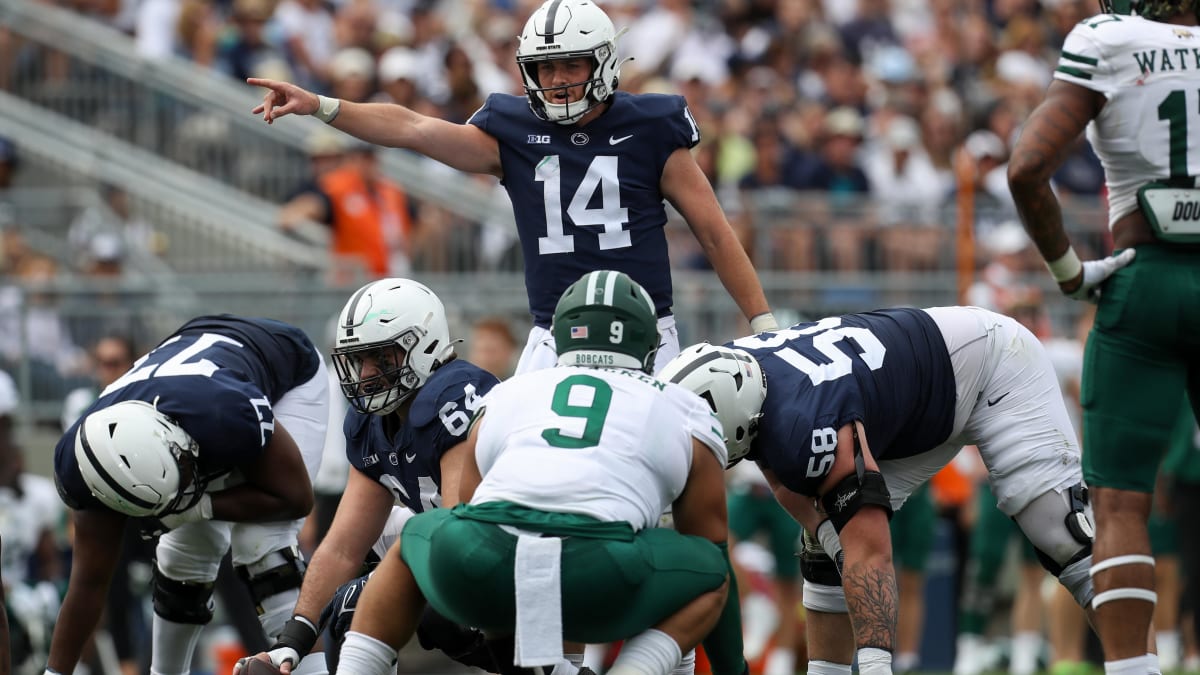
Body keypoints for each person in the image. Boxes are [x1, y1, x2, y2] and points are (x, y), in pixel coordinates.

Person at [247, 0, 777, 375]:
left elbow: (713, 233)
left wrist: (761, 321)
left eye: (572, 64)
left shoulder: (651, 126)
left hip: (646, 330)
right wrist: (322, 105)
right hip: (554, 334)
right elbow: (412, 127)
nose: (558, 80)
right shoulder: (512, 131)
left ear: (605, 62)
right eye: (545, 68)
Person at [289, 270, 747, 675]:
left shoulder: (507, 395)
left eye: (381, 358)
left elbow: (463, 516)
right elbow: (709, 547)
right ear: (652, 345)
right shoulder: (684, 408)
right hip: (597, 578)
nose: (366, 373)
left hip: (487, 571)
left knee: (415, 541)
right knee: (707, 567)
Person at [660, 306, 1100, 675]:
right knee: (823, 540)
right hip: (918, 401)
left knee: (1064, 538)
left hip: (994, 364)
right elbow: (776, 468)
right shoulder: (737, 374)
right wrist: (827, 531)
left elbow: (871, 548)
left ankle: (1136, 664)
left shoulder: (801, 421)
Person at [1006, 2, 1200, 672]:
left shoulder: (1108, 39)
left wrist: (1069, 273)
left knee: (1119, 502)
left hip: (1141, 281)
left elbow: (1027, 167)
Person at [236, 278, 505, 675]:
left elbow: (459, 531)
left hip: (519, 547)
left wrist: (375, 588)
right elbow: (344, 546)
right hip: (472, 549)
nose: (365, 373)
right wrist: (292, 641)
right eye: (359, 359)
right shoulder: (371, 422)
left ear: (424, 344)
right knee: (356, 584)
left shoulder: (451, 396)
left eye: (381, 357)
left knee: (373, 605)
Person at [45, 315, 329, 675]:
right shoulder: (81, 466)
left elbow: (295, 497)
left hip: (284, 367)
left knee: (264, 544)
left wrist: (200, 506)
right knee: (182, 555)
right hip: (198, 388)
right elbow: (87, 582)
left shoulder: (223, 413)